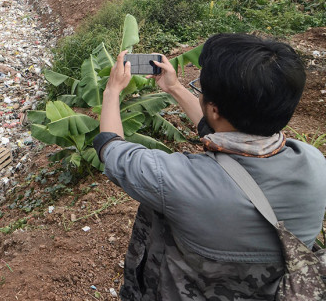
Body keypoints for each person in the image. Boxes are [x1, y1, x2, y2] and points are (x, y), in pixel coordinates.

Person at [95, 33, 326, 300]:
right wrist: (174, 87)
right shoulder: (314, 163)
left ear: (214, 109)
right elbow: (222, 131)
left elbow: (111, 149)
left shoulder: (178, 180)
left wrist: (111, 91)